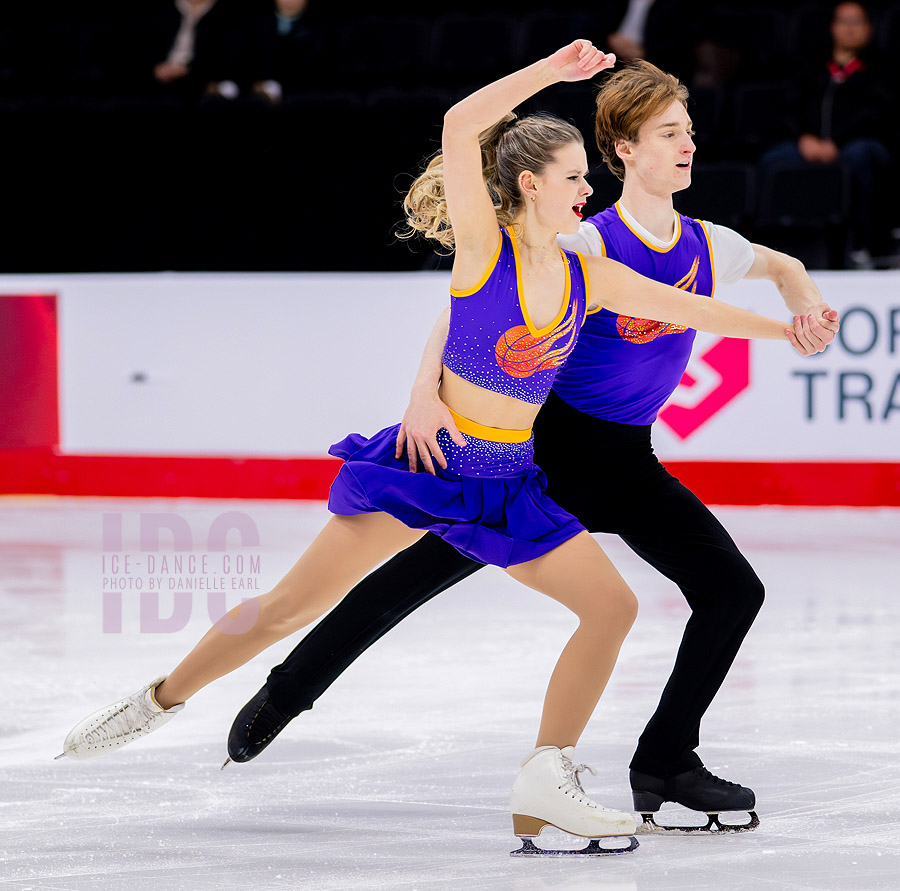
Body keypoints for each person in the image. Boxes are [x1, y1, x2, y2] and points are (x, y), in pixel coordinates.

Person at [60, 41, 806, 852]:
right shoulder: (486, 254)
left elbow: (697, 310)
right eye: (573, 179)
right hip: (433, 466)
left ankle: (546, 779)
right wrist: (551, 72)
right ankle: (161, 697)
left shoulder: (589, 275)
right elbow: (459, 123)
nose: (586, 191)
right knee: (291, 607)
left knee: (611, 606)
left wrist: (791, 328)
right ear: (531, 185)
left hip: (511, 483)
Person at [758, 1, 896, 267]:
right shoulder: (813, 67)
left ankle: (864, 243)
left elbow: (880, 115)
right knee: (772, 160)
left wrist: (838, 143)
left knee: (861, 157)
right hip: (809, 145)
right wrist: (803, 138)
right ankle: (773, 248)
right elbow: (790, 109)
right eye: (843, 21)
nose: (849, 28)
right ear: (833, 27)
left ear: (869, 28)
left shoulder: (882, 69)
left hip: (858, 144)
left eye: (856, 22)